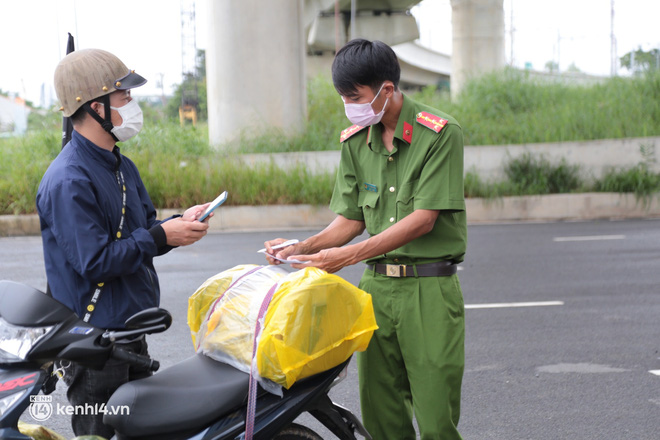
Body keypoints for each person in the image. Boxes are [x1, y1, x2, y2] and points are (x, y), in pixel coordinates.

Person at [264, 39, 466, 440]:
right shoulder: (357, 140)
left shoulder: (440, 133)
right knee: (381, 413)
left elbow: (423, 220)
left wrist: (347, 256)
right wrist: (303, 247)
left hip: (427, 289)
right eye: (343, 97)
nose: (348, 106)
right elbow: (351, 218)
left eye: (354, 97)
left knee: (435, 419)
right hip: (375, 291)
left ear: (386, 90)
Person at [37, 48, 212, 438]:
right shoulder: (68, 180)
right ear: (94, 106)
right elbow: (97, 261)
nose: (133, 104)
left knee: (144, 430)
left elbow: (144, 231)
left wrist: (176, 227)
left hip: (129, 332)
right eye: (124, 96)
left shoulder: (119, 163)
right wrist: (158, 236)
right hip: (94, 345)